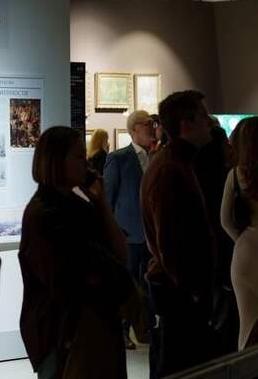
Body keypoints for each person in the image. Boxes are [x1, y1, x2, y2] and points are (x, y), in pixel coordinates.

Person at [19, 126, 130, 378]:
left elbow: (121, 254)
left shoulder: (80, 205)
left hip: (92, 328)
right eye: (79, 157)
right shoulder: (42, 215)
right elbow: (68, 281)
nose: (86, 163)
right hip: (65, 334)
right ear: (56, 161)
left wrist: (101, 204)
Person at [141, 90, 219, 378]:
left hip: (179, 291)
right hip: (180, 296)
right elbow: (171, 242)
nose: (209, 122)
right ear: (186, 124)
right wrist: (193, 290)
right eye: (203, 116)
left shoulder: (175, 163)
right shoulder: (170, 170)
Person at [105, 109, 156, 348]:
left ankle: (146, 329)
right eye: (147, 124)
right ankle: (122, 331)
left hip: (151, 236)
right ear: (134, 129)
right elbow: (107, 198)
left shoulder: (155, 158)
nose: (152, 128)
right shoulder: (119, 158)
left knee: (148, 285)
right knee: (126, 286)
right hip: (128, 236)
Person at [221, 116, 258, 350]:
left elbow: (225, 221)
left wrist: (242, 240)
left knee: (247, 322)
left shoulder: (237, 175)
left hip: (247, 251)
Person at [196, 123, 238, 352]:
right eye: (225, 144)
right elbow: (225, 222)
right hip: (224, 260)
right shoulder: (225, 178)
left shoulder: (198, 177)